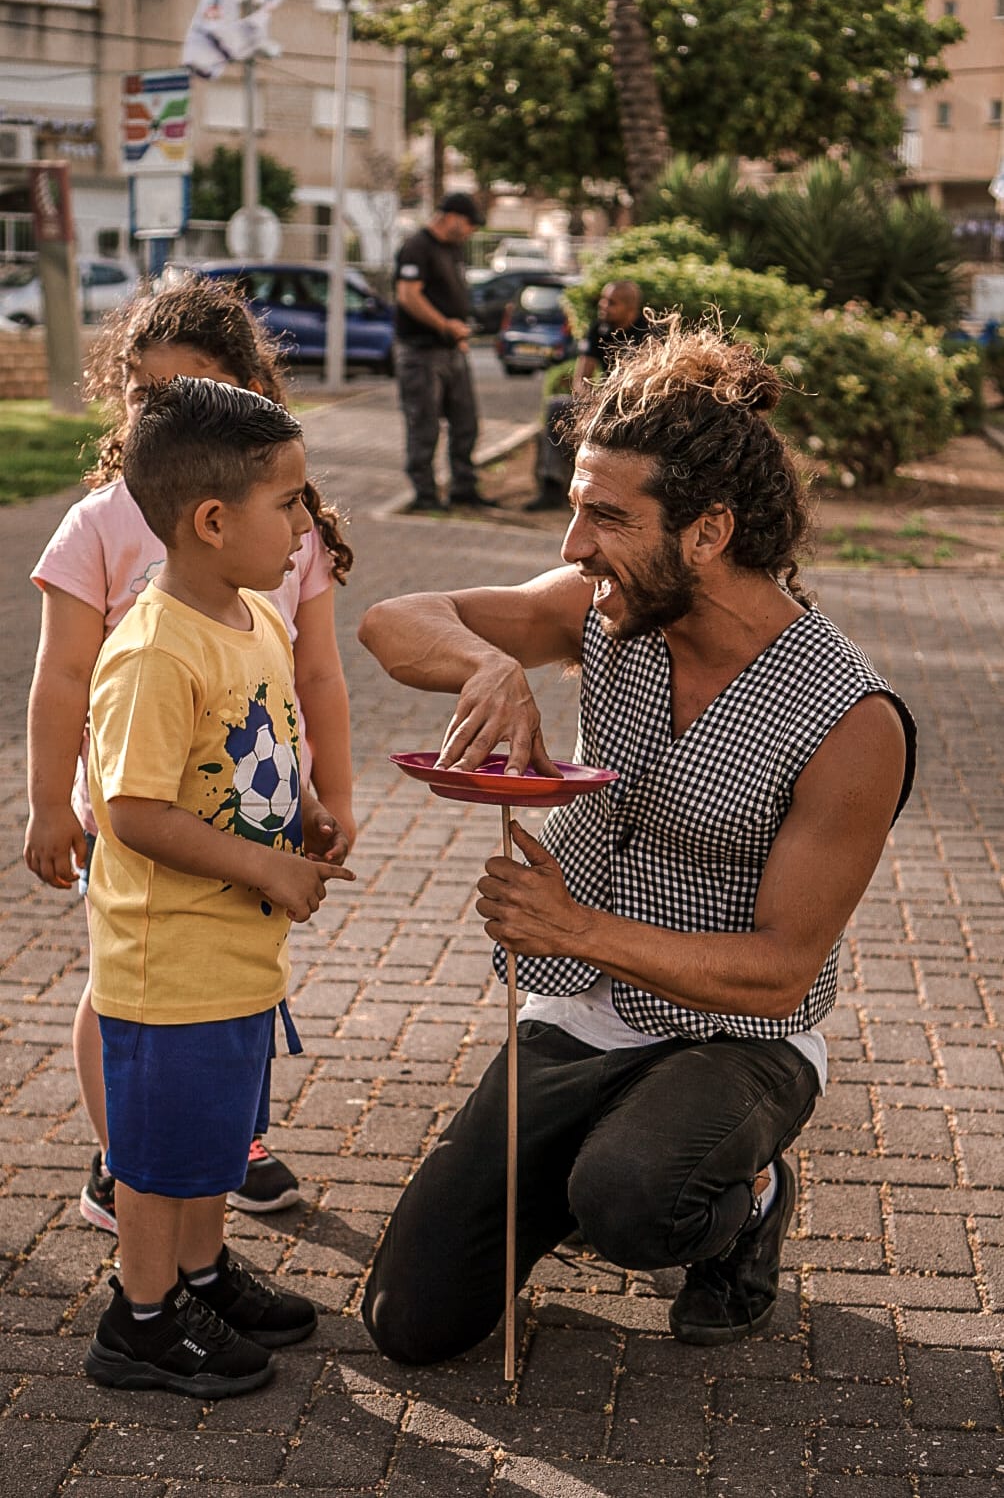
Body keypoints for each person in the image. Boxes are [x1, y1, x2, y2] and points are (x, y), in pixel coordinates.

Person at [357, 318, 916, 1365]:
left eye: (605, 518)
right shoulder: (608, 607)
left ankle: (743, 1202)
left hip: (739, 1036)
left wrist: (574, 924)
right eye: (574, 512)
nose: (574, 550)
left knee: (627, 1195)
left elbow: (778, 971)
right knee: (410, 1321)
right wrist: (482, 666)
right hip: (579, 1012)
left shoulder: (851, 718)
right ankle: (603, 1153)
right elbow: (395, 615)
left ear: (706, 531)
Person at [24, 279, 355, 1233]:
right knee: (130, 990)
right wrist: (50, 803)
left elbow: (318, 677)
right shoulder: (95, 526)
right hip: (142, 811)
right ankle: (123, 1157)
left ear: (246, 395)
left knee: (229, 985)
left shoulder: (282, 528)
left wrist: (324, 793)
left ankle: (219, 1147)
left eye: (181, 393)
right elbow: (60, 678)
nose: (151, 414)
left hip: (246, 811)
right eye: (141, 393)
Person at [82, 376, 355, 1397]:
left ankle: (199, 1273)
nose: (306, 522)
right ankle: (140, 1317)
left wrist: (311, 815)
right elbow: (135, 811)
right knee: (157, 1158)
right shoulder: (154, 651)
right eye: (288, 502)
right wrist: (267, 864)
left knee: (214, 1143)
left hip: (238, 957)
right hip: (170, 962)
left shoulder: (254, 620)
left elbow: (262, 765)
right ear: (209, 519)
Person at [394, 192, 493, 514]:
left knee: (466, 423)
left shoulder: (452, 249)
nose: (469, 232)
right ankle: (425, 494)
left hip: (451, 350)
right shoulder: (416, 248)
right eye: (468, 224)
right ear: (450, 216)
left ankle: (463, 488)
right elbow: (408, 296)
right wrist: (444, 325)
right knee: (424, 425)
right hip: (421, 352)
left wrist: (456, 332)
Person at [530, 279, 648, 511]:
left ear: (630, 308)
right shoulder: (599, 328)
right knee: (557, 408)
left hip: (638, 406)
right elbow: (581, 378)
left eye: (611, 302)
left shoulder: (648, 333)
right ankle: (552, 486)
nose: (603, 306)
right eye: (602, 300)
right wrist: (591, 401)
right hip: (602, 402)